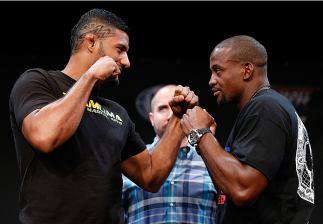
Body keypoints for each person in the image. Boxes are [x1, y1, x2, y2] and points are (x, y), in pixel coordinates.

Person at [9, 9, 198, 224]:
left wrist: (176, 118)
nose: (126, 62)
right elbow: (45, 136)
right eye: (120, 49)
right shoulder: (39, 82)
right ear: (91, 42)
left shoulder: (117, 113)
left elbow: (151, 176)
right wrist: (89, 76)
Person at [180, 35, 314, 224]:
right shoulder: (267, 107)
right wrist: (207, 143)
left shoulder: (265, 107)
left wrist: (201, 134)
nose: (211, 80)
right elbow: (227, 188)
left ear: (247, 70)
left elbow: (243, 191)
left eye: (218, 70)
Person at [122, 85, 218, 223]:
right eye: (162, 108)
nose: (171, 115)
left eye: (179, 108)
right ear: (151, 118)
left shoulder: (211, 160)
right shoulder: (131, 161)